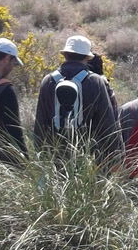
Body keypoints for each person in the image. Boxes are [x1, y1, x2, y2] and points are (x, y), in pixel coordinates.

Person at [33, 34, 121, 164]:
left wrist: (42, 157)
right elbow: (107, 123)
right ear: (87, 57)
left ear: (65, 55)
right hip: (89, 161)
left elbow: (40, 125)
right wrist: (114, 158)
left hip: (56, 160)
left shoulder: (48, 81)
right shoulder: (95, 81)